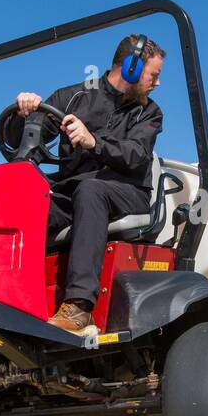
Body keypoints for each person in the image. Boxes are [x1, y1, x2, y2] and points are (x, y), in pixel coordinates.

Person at [15, 34, 165, 335]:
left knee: (91, 190)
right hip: (73, 194)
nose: (157, 83)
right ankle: (12, 300)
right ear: (132, 68)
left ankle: (79, 306)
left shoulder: (149, 112)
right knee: (24, 203)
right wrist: (25, 115)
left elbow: (136, 156)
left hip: (126, 192)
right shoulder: (72, 97)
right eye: (154, 75)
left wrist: (94, 142)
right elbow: (23, 140)